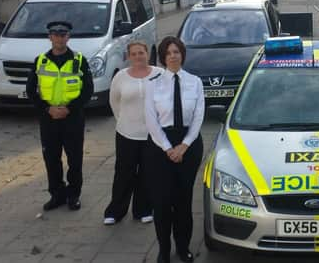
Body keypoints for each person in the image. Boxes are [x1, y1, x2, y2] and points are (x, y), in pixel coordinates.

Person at [145, 37, 204, 263]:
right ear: (162, 57)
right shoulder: (153, 84)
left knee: (183, 201)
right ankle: (163, 249)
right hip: (160, 146)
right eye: (168, 52)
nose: (173, 56)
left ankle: (183, 247)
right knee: (161, 202)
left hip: (189, 144)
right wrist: (170, 148)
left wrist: (184, 145)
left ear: (182, 54)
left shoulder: (195, 82)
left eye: (176, 51)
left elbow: (198, 117)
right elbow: (151, 121)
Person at [26, 21, 93, 211]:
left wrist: (68, 109)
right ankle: (57, 194)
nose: (59, 37)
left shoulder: (79, 60)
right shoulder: (40, 61)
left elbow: (88, 90)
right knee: (51, 158)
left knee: (75, 159)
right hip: (49, 119)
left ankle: (73, 195)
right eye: (55, 34)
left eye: (63, 34)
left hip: (72, 117)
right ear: (50, 37)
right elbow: (31, 91)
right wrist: (48, 109)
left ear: (68, 37)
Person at [103, 41, 164, 226]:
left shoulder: (160, 74)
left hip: (152, 135)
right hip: (126, 133)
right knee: (123, 173)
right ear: (129, 57)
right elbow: (114, 102)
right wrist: (125, 120)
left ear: (148, 54)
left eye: (141, 52)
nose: (138, 56)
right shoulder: (121, 77)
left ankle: (143, 209)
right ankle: (115, 211)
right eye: (134, 54)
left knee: (147, 172)